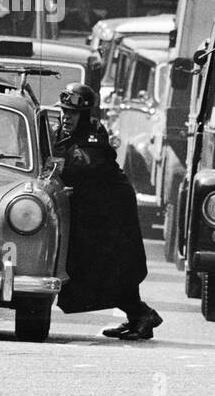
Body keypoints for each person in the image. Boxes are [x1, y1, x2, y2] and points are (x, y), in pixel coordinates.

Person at [52, 82, 161, 340]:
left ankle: (142, 315)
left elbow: (82, 165)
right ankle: (138, 316)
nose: (66, 118)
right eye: (64, 112)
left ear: (86, 114)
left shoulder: (93, 135)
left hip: (111, 211)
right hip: (91, 210)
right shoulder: (62, 134)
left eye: (72, 113)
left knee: (113, 267)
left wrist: (57, 162)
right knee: (102, 268)